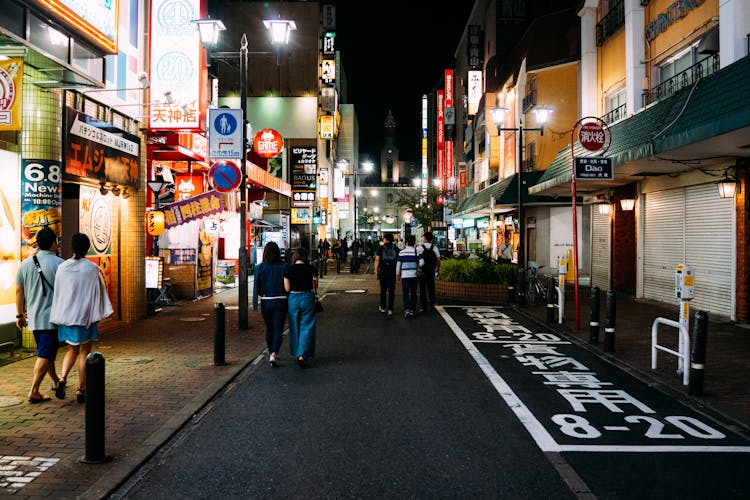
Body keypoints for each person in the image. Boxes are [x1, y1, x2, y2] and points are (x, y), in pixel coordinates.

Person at [50, 233, 113, 404]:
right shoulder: (91, 268)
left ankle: (62, 378)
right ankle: (81, 389)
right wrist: (103, 311)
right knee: (84, 353)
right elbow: (99, 291)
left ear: (72, 247)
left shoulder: (62, 267)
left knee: (71, 350)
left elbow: (59, 292)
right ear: (87, 249)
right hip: (85, 317)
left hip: (67, 315)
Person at [15, 227, 64, 404]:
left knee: (46, 352)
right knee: (44, 354)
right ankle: (34, 390)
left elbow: (19, 290)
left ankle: (55, 381)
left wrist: (19, 315)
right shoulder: (60, 264)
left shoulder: (25, 264)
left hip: (34, 318)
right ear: (53, 243)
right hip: (52, 318)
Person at [252, 241, 288, 367]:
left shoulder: (260, 267)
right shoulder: (284, 266)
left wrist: (258, 300)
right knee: (278, 329)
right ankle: (274, 353)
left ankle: (270, 350)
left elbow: (258, 288)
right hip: (281, 300)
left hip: (266, 301)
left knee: (269, 328)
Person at [284, 247, 318, 368]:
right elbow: (315, 285)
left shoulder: (288, 269)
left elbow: (287, 288)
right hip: (308, 297)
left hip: (293, 298)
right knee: (307, 326)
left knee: (294, 326)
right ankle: (302, 355)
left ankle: (296, 352)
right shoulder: (311, 269)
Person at [374, 233, 399, 315]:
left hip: (383, 272)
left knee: (383, 290)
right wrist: (398, 273)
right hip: (392, 272)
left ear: (385, 239)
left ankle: (383, 307)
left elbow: (377, 260)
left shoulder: (381, 248)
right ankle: (390, 309)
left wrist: (376, 271)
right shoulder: (396, 248)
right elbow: (399, 261)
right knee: (391, 291)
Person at [396, 234, 420, 317]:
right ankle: (412, 309)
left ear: (406, 243)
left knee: (405, 293)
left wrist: (397, 275)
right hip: (414, 275)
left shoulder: (401, 253)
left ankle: (407, 309)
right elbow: (421, 263)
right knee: (413, 293)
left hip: (405, 276)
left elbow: (398, 265)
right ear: (414, 243)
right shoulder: (416, 252)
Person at [418, 231, 441, 313]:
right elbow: (438, 260)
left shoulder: (420, 248)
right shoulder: (434, 247)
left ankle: (424, 307)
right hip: (431, 270)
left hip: (422, 271)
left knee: (422, 289)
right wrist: (437, 269)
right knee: (431, 287)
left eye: (423, 237)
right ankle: (433, 304)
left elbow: (417, 259)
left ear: (425, 238)